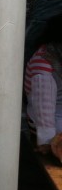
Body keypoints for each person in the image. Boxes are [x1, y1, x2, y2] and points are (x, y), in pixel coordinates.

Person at [24, 14, 62, 155]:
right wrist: (47, 143)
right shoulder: (43, 65)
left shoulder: (57, 54)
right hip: (49, 125)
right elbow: (43, 110)